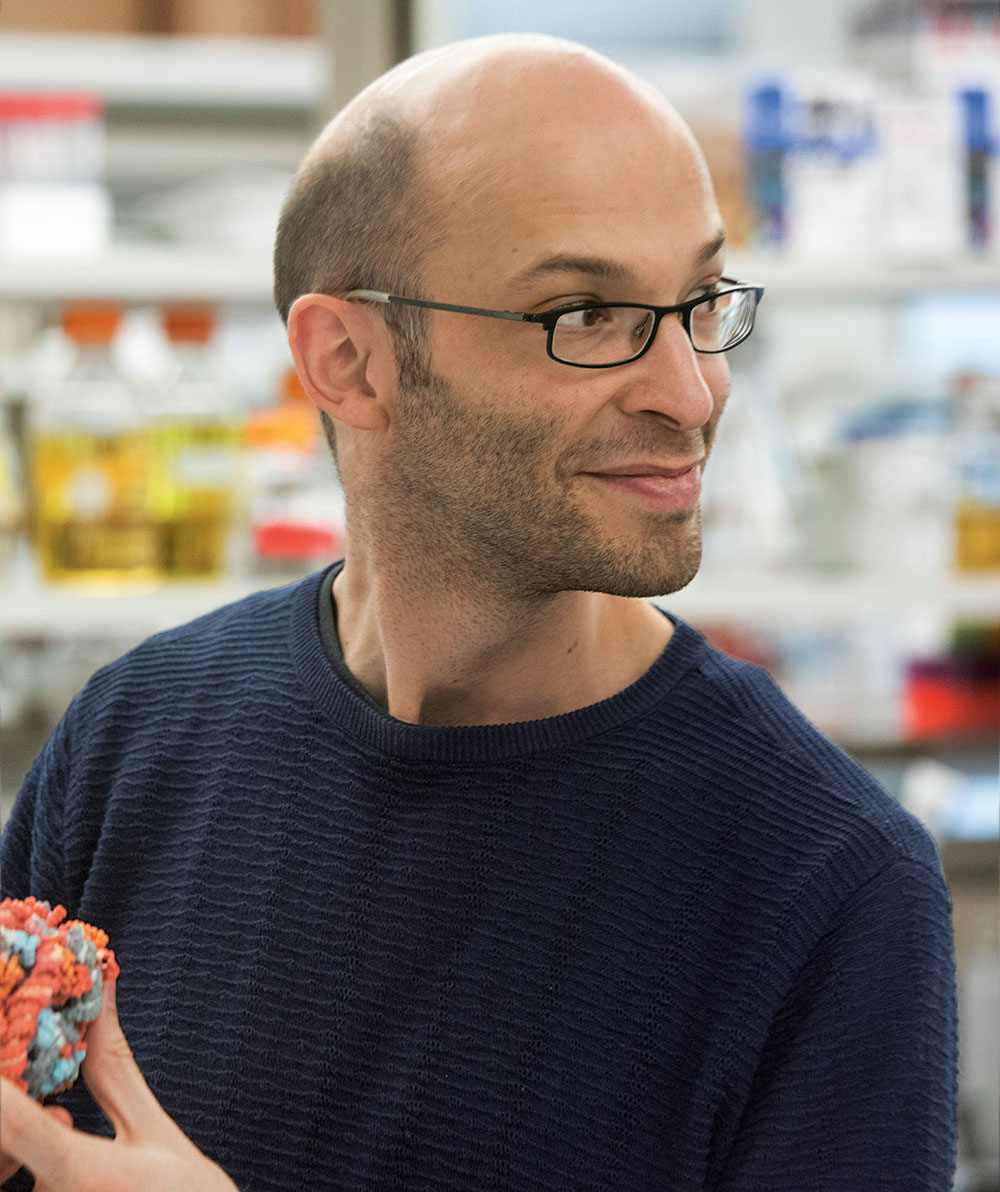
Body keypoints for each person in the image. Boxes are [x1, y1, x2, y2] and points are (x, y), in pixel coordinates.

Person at [0, 33, 957, 1192]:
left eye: (699, 297)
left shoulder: (828, 882)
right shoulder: (131, 740)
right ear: (347, 360)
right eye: (586, 313)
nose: (694, 390)